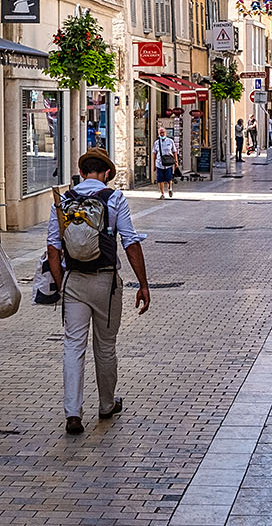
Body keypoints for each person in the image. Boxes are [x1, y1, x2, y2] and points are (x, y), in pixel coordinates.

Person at [47, 151, 151, 434]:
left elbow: (53, 248)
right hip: (106, 283)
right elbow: (130, 242)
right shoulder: (114, 199)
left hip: (74, 282)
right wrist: (143, 283)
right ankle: (106, 404)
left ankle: (72, 413)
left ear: (82, 173)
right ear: (106, 173)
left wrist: (60, 285)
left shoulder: (64, 201)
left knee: (72, 347)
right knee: (105, 346)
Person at [153, 126, 178, 199]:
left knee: (169, 178)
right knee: (160, 179)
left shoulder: (170, 141)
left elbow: (174, 152)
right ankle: (162, 193)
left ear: (166, 133)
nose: (162, 134)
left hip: (168, 163)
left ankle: (170, 188)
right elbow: (154, 154)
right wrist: (154, 165)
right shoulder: (156, 143)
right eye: (160, 133)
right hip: (159, 163)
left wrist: (176, 162)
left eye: (163, 132)